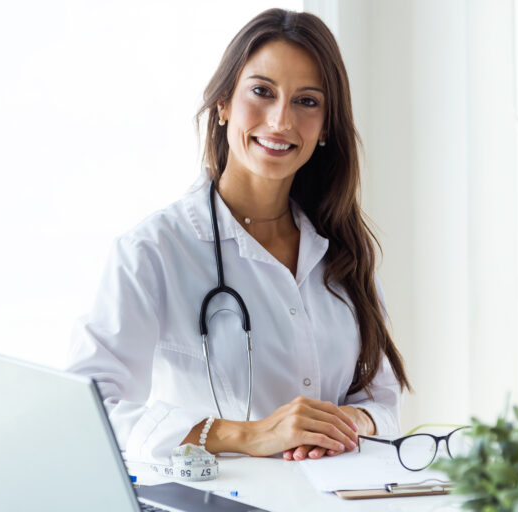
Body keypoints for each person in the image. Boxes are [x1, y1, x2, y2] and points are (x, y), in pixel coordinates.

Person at [67, 8, 410, 464]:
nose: (280, 121)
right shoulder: (154, 251)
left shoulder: (341, 249)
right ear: (224, 103)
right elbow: (88, 409)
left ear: (326, 125)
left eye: (307, 101)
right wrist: (248, 435)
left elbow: (383, 401)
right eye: (262, 92)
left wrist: (341, 425)